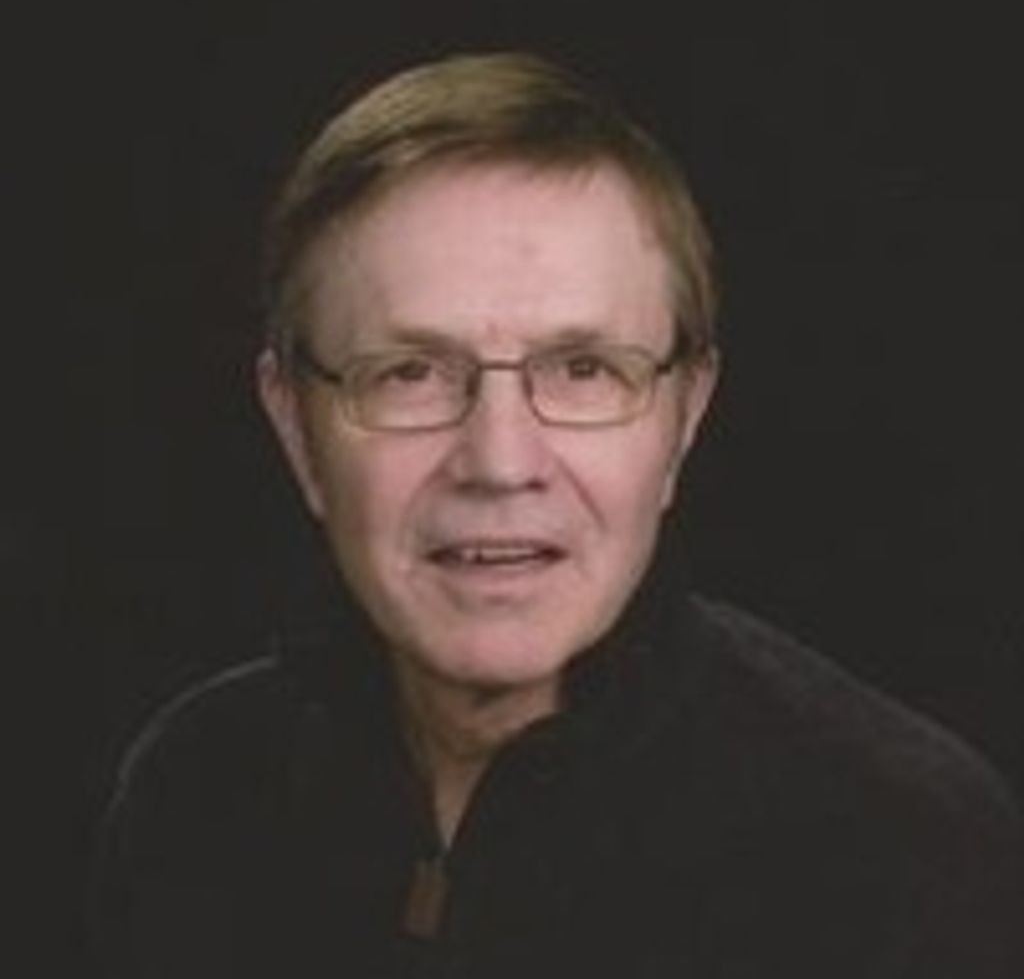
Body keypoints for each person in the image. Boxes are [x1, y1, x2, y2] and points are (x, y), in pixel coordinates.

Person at [91, 52, 1023, 978]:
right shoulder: (196, 792)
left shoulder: (900, 854)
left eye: (584, 370)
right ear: (297, 428)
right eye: (410, 373)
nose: (501, 464)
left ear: (684, 417)